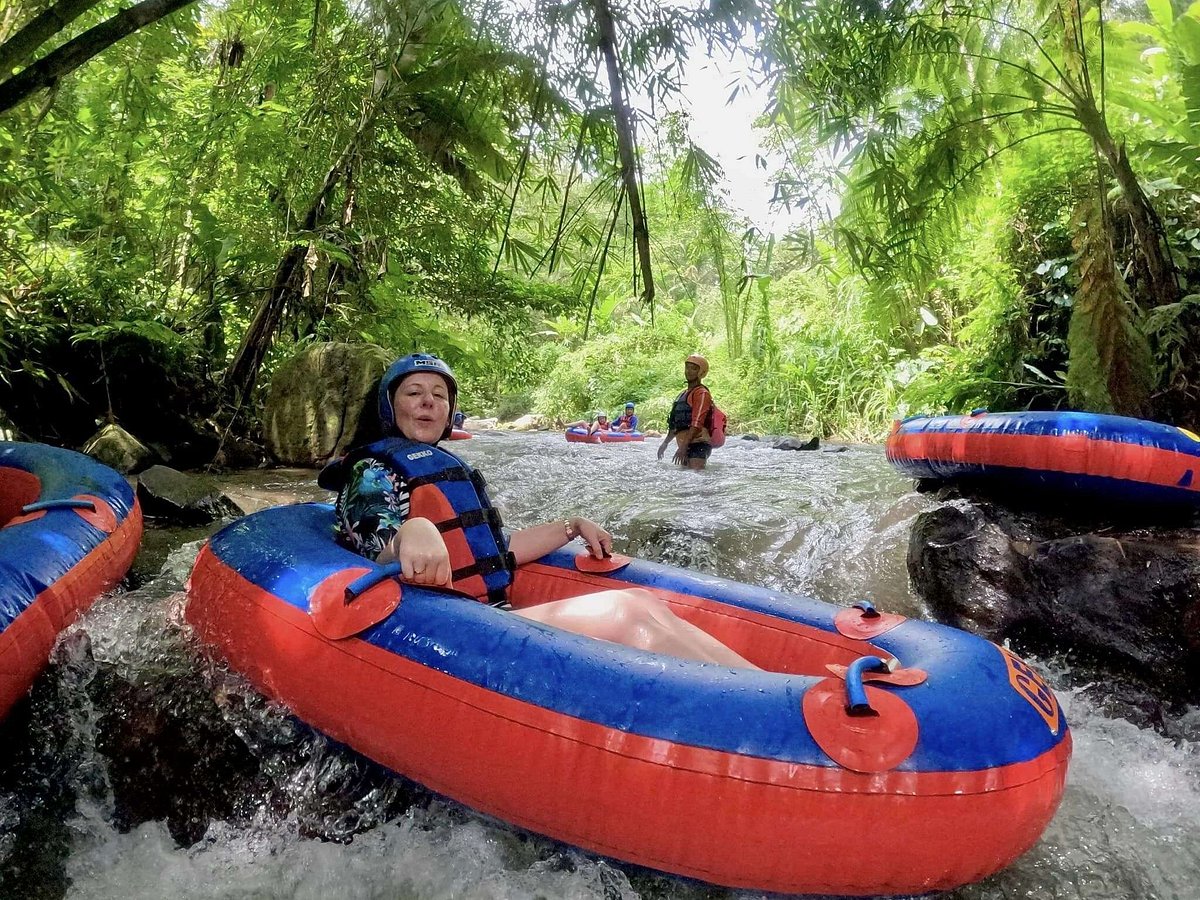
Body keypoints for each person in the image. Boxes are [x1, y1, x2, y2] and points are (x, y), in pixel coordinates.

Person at [320, 353, 755, 668]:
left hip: (482, 615)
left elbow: (496, 551)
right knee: (627, 613)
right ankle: (775, 711)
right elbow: (374, 544)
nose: (429, 401)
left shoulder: (449, 468)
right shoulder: (374, 471)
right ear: (389, 407)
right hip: (437, 630)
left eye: (439, 394)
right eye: (414, 393)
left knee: (643, 601)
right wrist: (410, 532)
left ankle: (767, 689)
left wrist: (570, 525)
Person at [658, 354, 714, 470]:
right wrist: (665, 443)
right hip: (685, 444)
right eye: (687, 367)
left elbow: (697, 423)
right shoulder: (683, 394)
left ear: (701, 372)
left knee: (696, 479)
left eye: (694, 368)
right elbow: (676, 424)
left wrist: (684, 446)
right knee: (687, 479)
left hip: (698, 443)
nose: (689, 371)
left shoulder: (702, 393)